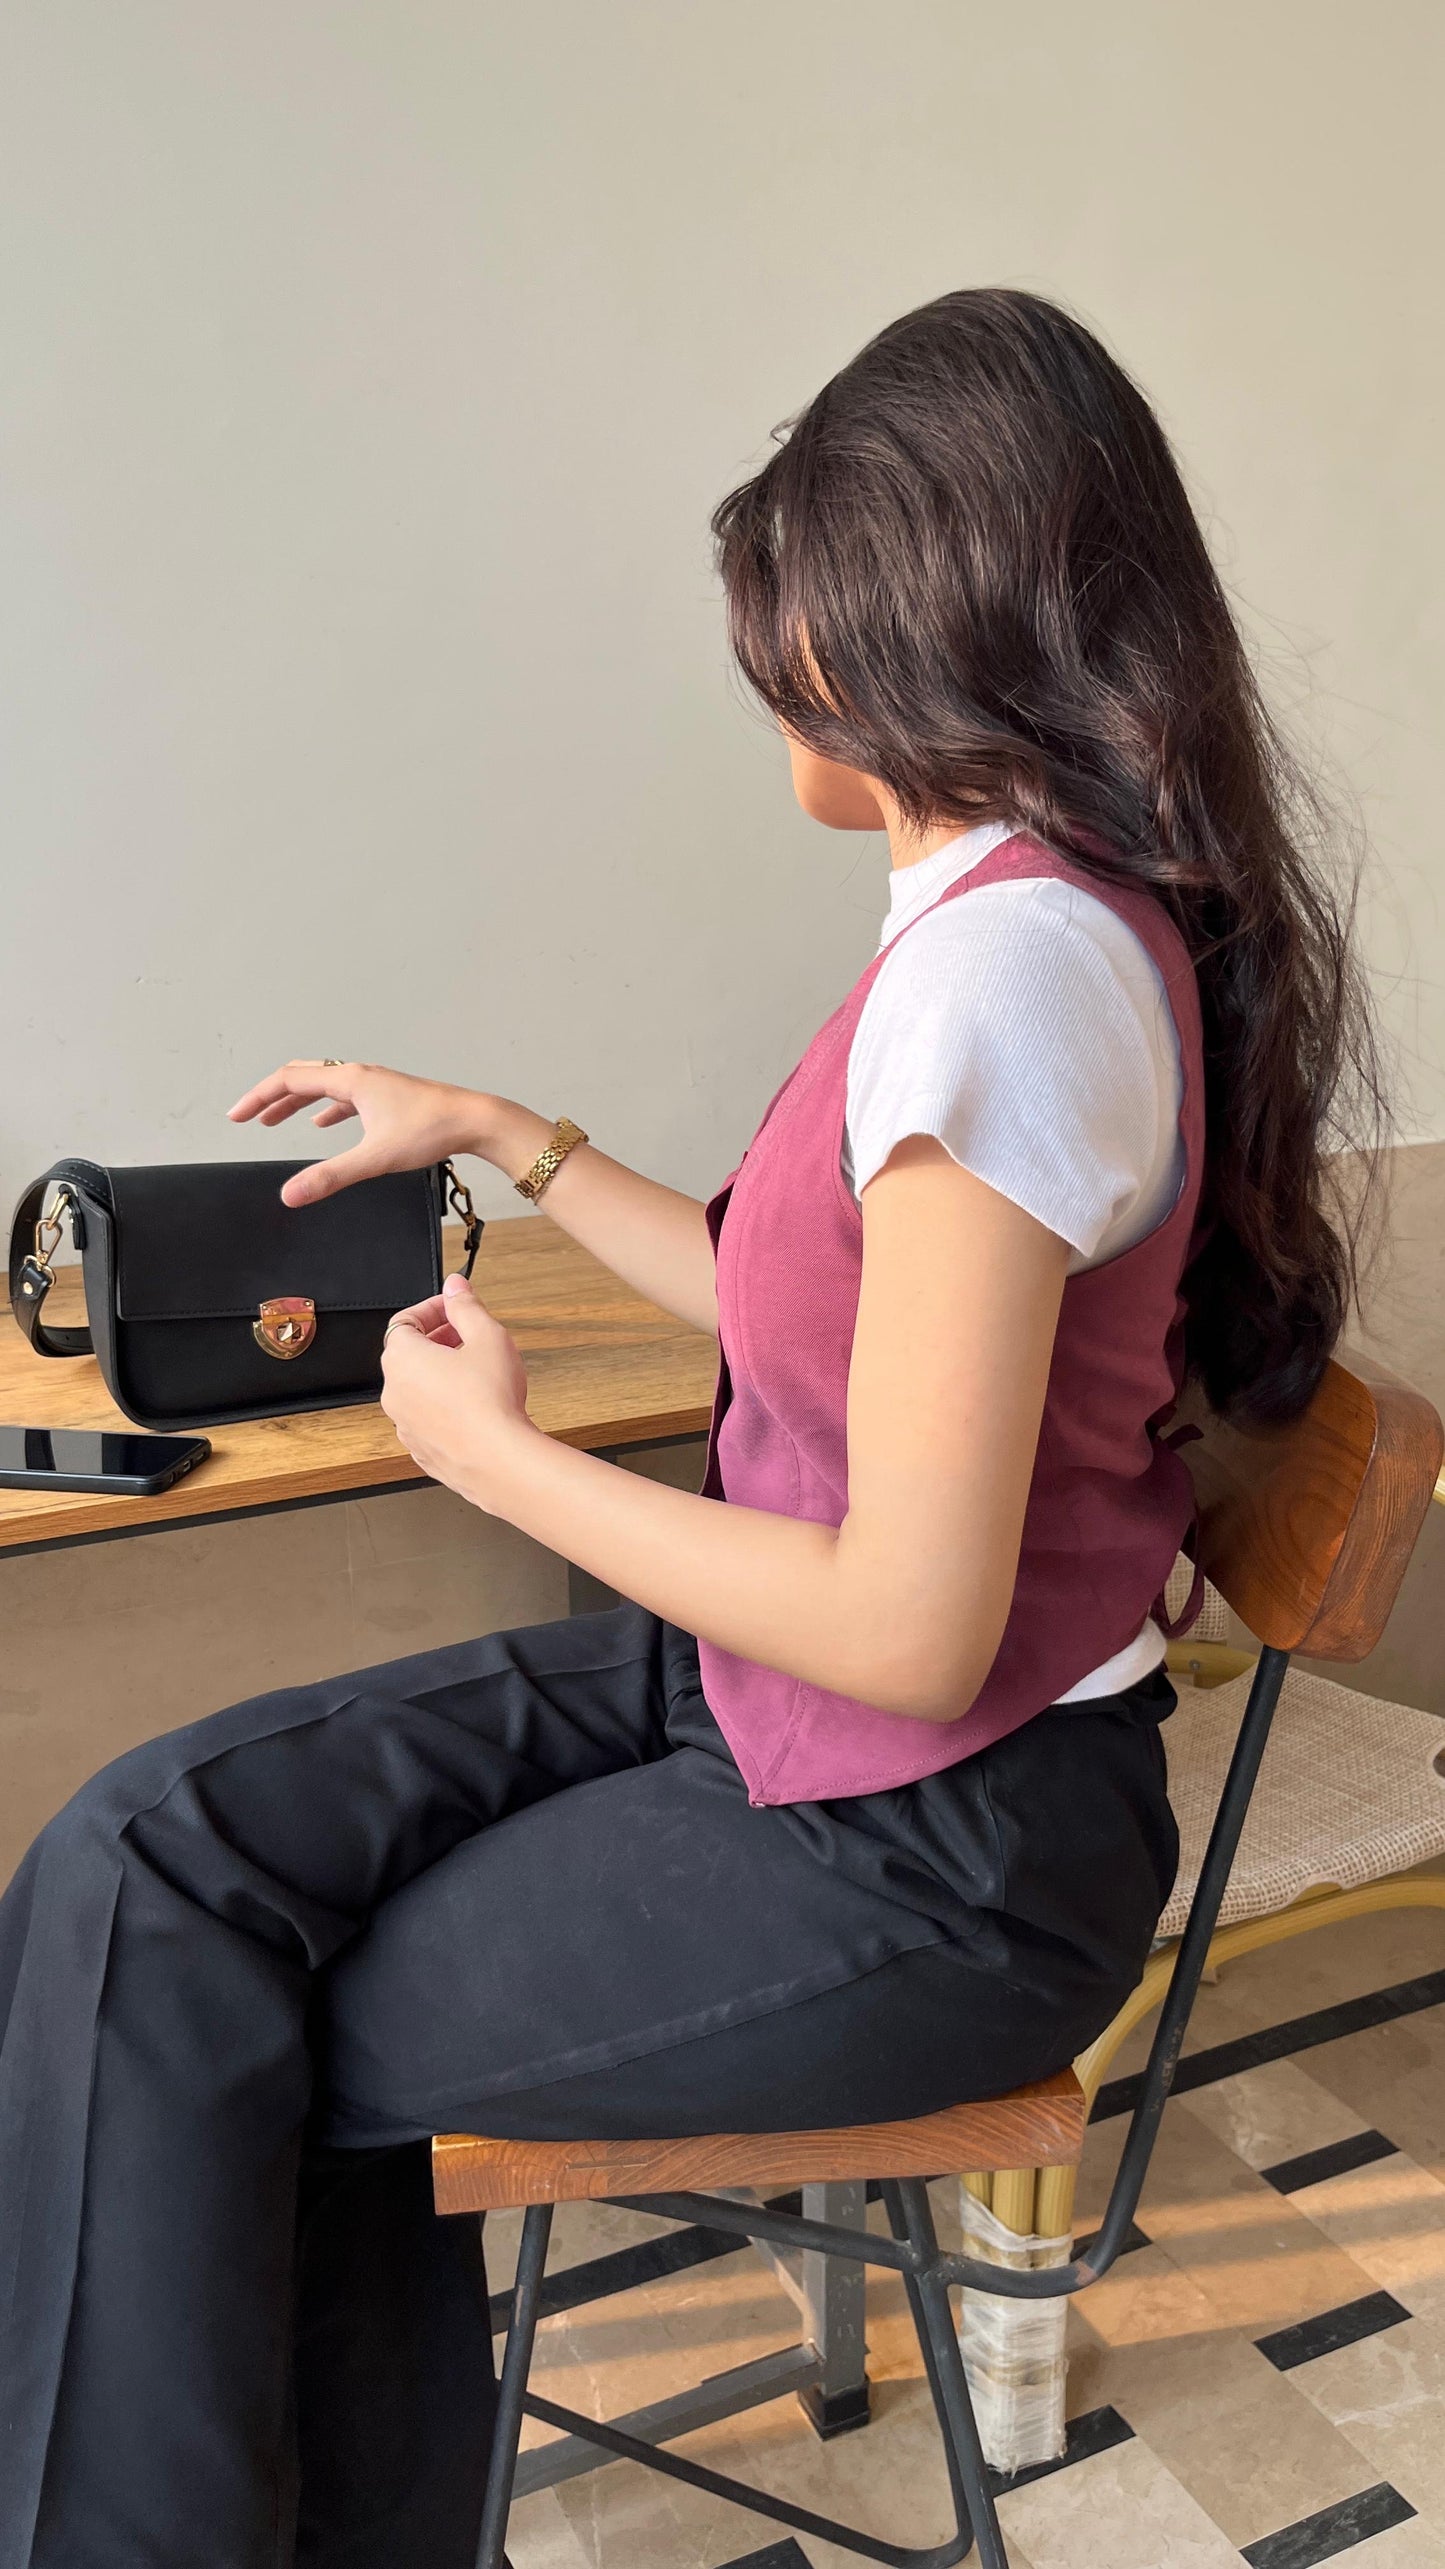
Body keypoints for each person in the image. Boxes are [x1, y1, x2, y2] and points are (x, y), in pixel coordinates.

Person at [0, 288, 1381, 2568]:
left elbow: (916, 1626)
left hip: (946, 1834)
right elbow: (809, 1311)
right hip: (822, 1730)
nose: (772, 671)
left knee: (210, 2024)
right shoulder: (1007, 927)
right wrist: (506, 1133)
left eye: (801, 621)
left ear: (937, 641)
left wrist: (501, 1466)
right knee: (151, 1871)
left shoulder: (1011, 980)